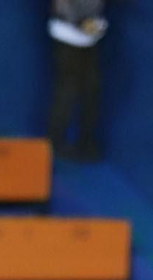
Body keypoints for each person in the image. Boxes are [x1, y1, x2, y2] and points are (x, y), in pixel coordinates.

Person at [47, 0, 107, 161]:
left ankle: (86, 143)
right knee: (67, 90)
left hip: (90, 36)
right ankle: (55, 143)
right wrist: (76, 20)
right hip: (67, 33)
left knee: (91, 91)